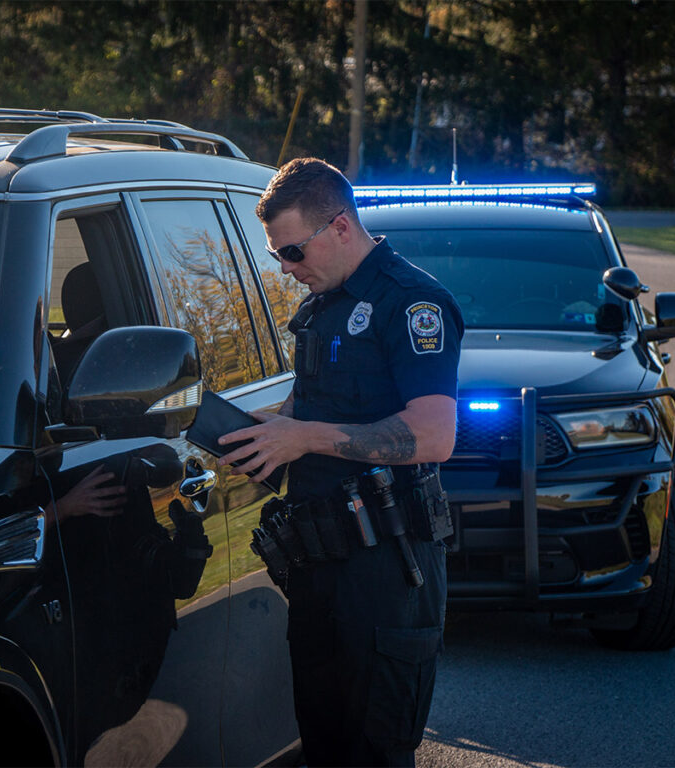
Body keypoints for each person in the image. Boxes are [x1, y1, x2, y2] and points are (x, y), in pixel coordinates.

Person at [217, 158, 464, 767]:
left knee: (373, 753)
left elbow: (434, 435)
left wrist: (304, 439)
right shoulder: (325, 302)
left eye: (294, 251)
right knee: (323, 746)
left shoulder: (412, 303)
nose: (287, 268)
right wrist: (268, 435)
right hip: (319, 560)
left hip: (386, 566)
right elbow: (312, 405)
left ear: (342, 228)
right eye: (278, 255)